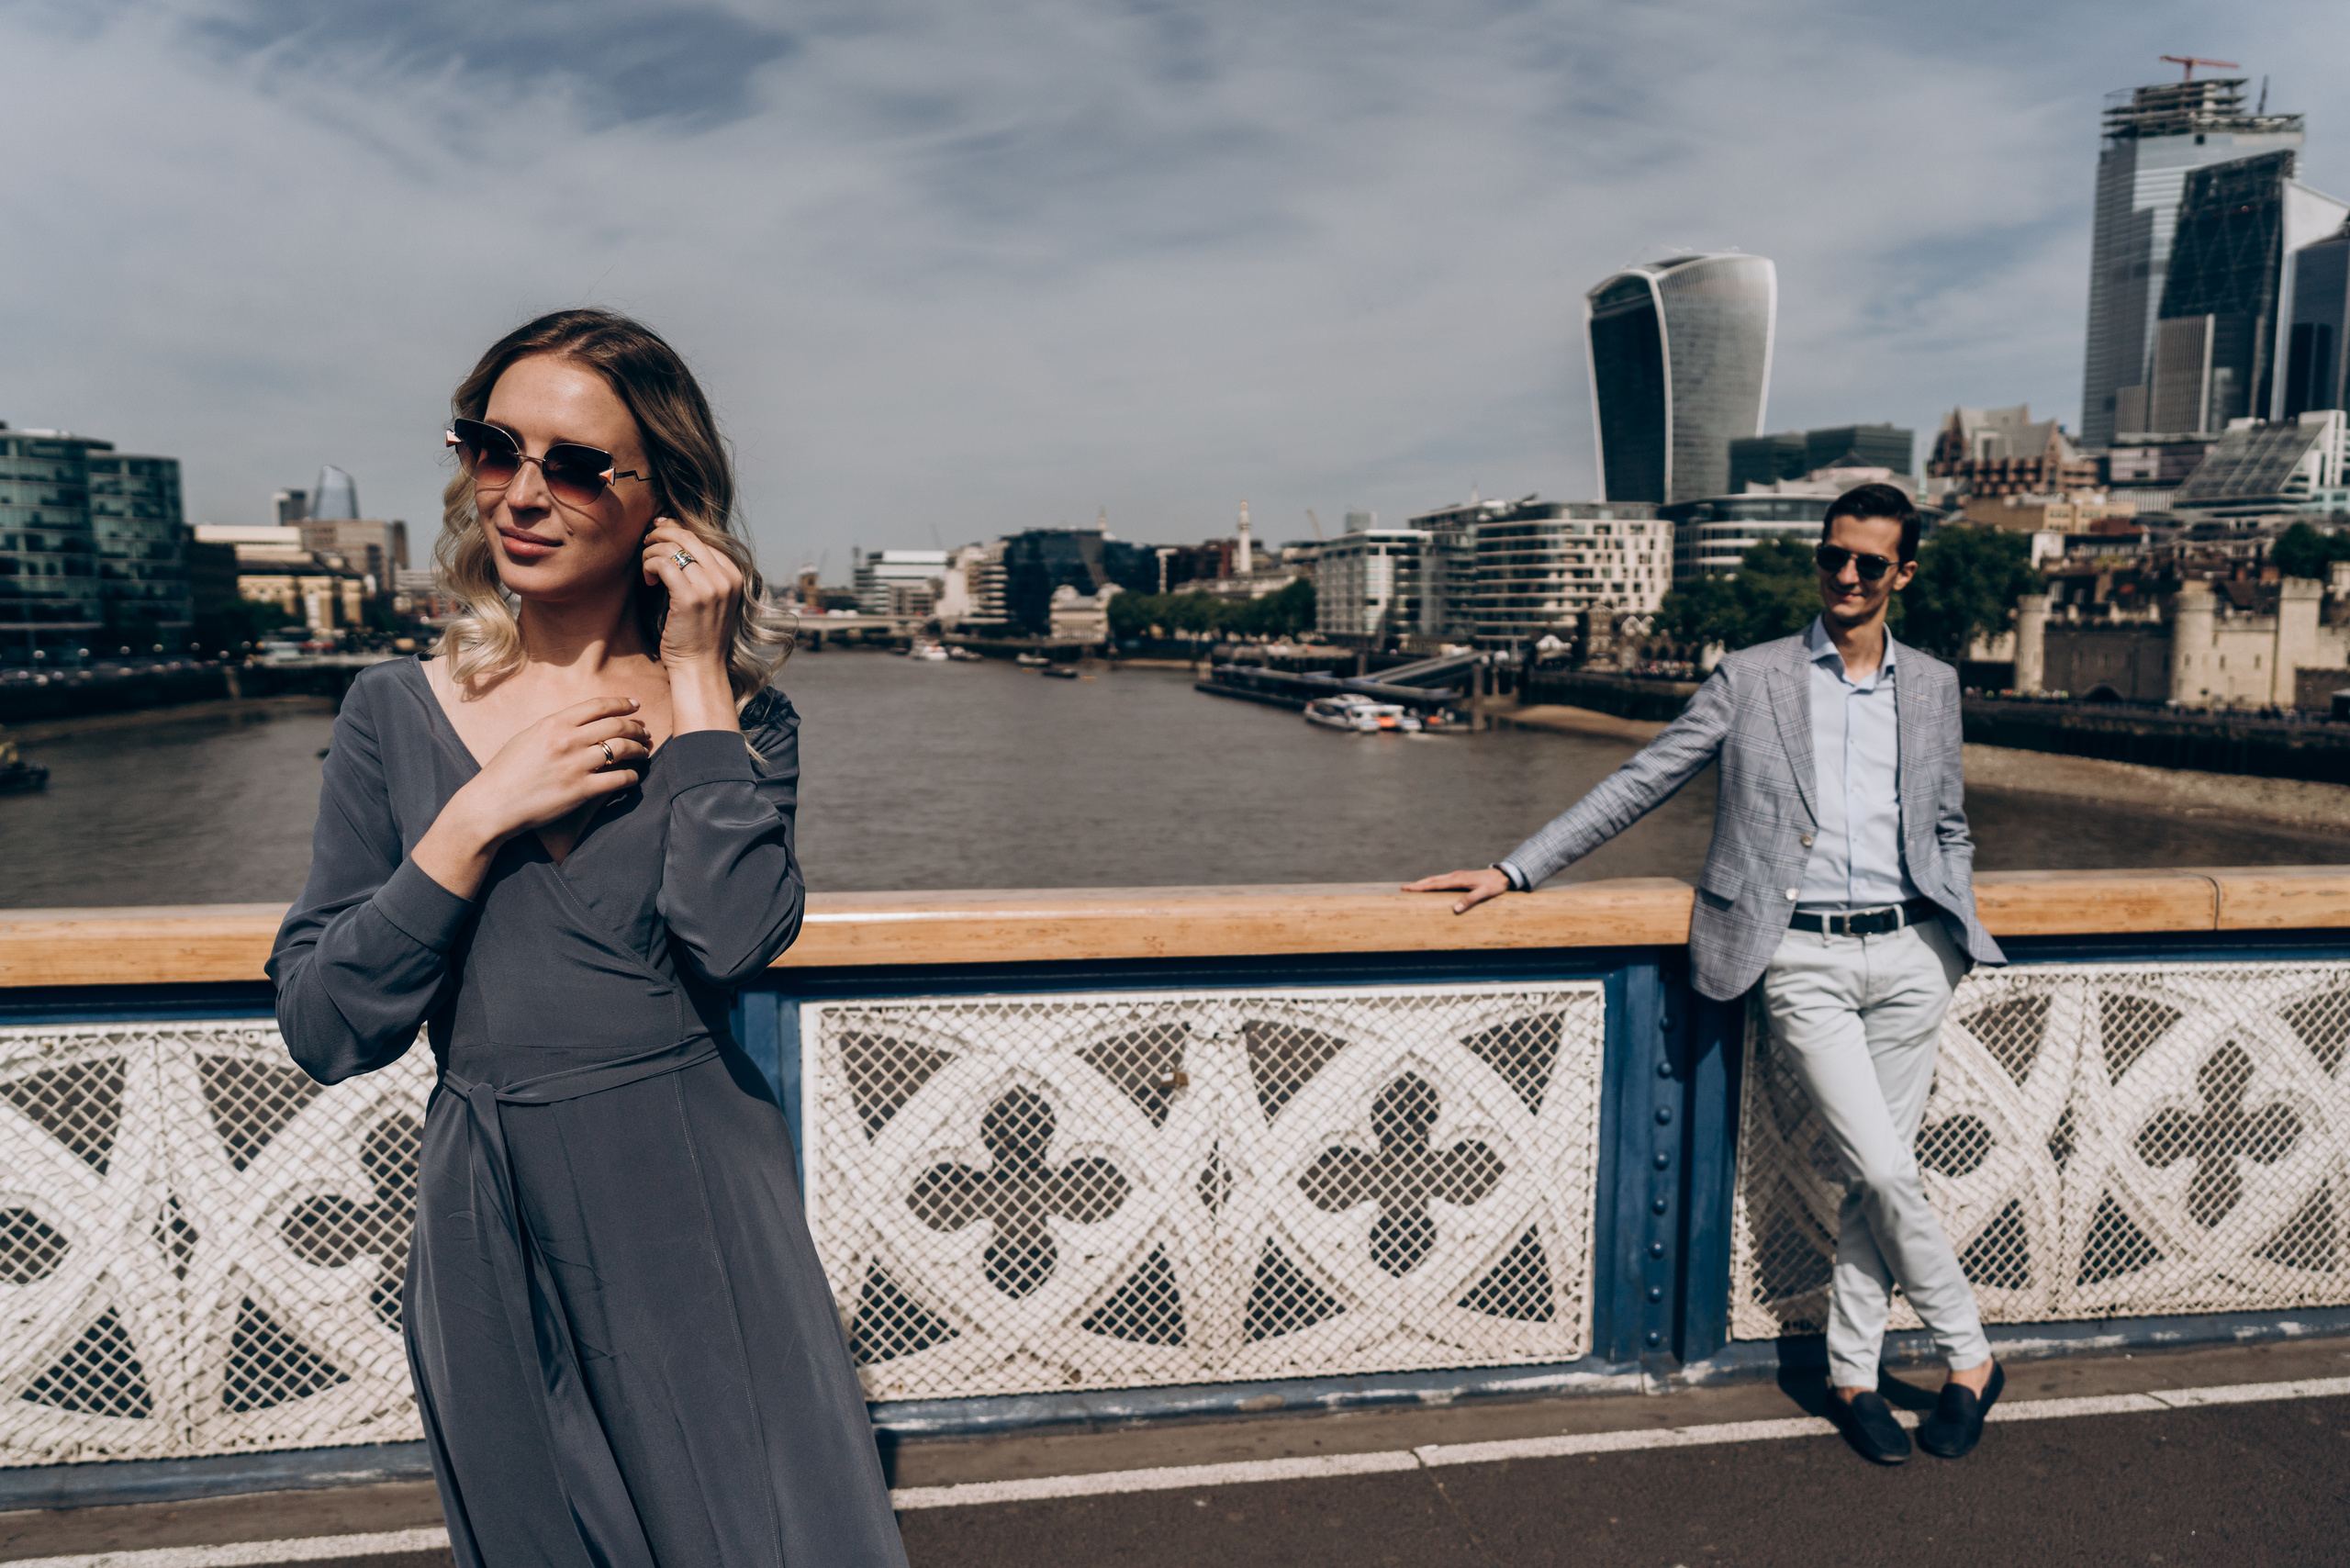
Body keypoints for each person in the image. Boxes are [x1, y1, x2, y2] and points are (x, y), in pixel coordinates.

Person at [270, 308, 909, 1564]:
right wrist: (470, 821)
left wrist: (696, 670)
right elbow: (327, 1025)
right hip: (485, 1198)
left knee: (766, 1532)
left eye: (573, 465)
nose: (520, 493)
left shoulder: (742, 724)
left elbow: (733, 941)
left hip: (692, 1188)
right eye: (494, 449)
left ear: (663, 499)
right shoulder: (391, 711)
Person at [1406, 482, 2007, 1465]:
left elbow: (1946, 819)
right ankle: (1972, 1356)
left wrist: (1956, 911)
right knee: (1887, 1165)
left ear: (1903, 573)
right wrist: (1516, 867)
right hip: (1800, 953)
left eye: (1866, 563)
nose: (1844, 576)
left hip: (1912, 952)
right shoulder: (1753, 676)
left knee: (1870, 1178)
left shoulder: (1933, 685)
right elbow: (1642, 778)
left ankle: (1851, 1373)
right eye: (1831, 558)